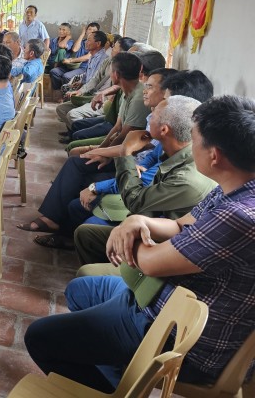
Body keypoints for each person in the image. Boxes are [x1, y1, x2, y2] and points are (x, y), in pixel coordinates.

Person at [24, 95, 255, 392]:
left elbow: (147, 262)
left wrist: (128, 231)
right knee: (80, 290)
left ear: (215, 156)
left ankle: (118, 386)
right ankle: (116, 371)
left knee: (40, 338)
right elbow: (179, 224)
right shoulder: (235, 187)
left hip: (176, 333)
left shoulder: (240, 217)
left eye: (195, 139)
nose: (189, 145)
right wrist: (136, 222)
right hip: (161, 297)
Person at [33, 96, 215, 250]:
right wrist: (134, 166)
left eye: (154, 114)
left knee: (86, 224)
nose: (149, 116)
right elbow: (150, 160)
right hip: (146, 210)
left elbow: (136, 200)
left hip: (156, 232)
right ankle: (60, 227)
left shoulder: (186, 175)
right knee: (80, 178)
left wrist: (126, 152)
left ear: (164, 129)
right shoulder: (174, 145)